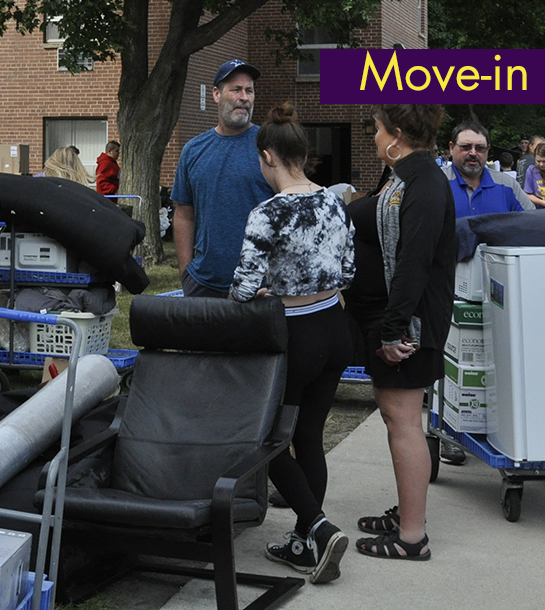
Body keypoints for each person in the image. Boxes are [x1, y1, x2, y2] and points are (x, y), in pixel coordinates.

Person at [230, 102, 353, 584]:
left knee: (264, 441)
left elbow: (242, 288)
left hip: (295, 336)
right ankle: (305, 542)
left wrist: (264, 289)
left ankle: (319, 528)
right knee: (309, 439)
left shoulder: (267, 213)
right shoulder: (334, 202)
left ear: (268, 158)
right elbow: (347, 272)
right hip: (334, 330)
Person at [345, 104, 452, 562]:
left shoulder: (424, 182)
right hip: (395, 321)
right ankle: (409, 511)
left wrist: (392, 331)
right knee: (397, 421)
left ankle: (412, 536)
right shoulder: (404, 176)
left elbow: (413, 262)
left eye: (375, 129)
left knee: (404, 423)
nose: (372, 136)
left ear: (397, 133)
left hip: (409, 326)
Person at [172, 59, 274, 299]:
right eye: (236, 90)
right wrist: (186, 272)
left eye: (249, 91)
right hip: (203, 284)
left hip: (260, 287)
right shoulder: (193, 150)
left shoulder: (269, 145)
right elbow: (184, 214)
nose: (244, 98)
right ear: (216, 94)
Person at [441, 121, 528, 218]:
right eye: (466, 147)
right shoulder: (436, 182)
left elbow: (531, 222)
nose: (473, 153)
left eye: (480, 148)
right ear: (452, 148)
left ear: (488, 150)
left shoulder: (507, 185)